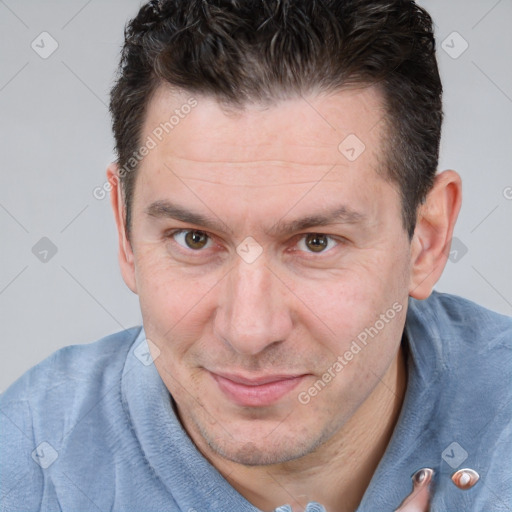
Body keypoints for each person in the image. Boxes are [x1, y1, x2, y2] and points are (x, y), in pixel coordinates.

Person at [1, 0, 511, 511]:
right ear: (124, 230)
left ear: (426, 238)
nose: (249, 331)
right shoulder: (31, 458)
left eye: (316, 242)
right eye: (193, 239)